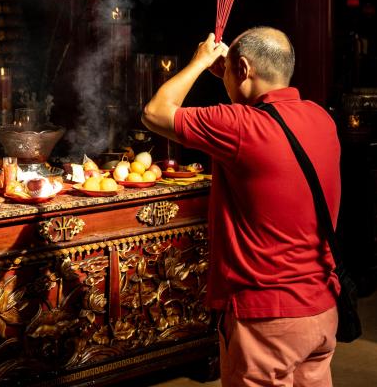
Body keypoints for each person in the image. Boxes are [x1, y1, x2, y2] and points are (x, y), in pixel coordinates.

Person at [141, 27, 341, 387]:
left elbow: (155, 112)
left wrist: (200, 63)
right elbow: (265, 132)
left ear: (245, 69)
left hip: (266, 318)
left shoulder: (239, 128)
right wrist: (236, 79)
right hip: (321, 310)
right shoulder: (322, 120)